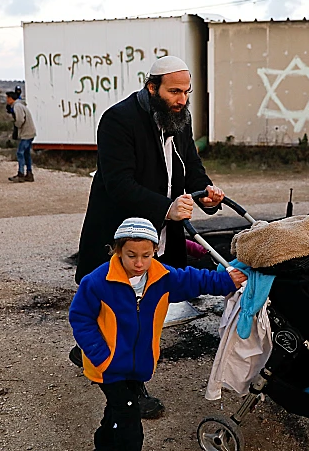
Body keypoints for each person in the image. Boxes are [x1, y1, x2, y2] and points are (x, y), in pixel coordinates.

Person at [73, 56, 224, 418]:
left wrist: (206, 192)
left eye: (186, 92)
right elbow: (119, 184)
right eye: (174, 91)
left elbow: (191, 168)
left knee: (143, 307)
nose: (182, 99)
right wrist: (167, 208)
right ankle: (129, 391)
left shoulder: (178, 118)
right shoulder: (118, 120)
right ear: (152, 87)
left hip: (160, 233)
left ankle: (90, 350)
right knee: (128, 311)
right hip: (122, 236)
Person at [70, 218, 246, 451]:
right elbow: (81, 319)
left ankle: (103, 445)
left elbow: (194, 280)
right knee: (129, 425)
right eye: (131, 255)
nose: (139, 263)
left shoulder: (161, 277)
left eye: (146, 255)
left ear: (155, 250)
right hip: (107, 366)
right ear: (118, 250)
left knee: (116, 412)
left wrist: (226, 281)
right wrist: (101, 356)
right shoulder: (97, 282)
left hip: (138, 364)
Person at [6, 90, 36, 183]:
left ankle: (21, 174)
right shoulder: (20, 105)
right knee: (26, 154)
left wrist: (16, 126)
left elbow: (20, 120)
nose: (6, 100)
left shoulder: (17, 106)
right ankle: (29, 173)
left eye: (7, 98)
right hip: (29, 132)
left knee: (20, 153)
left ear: (11, 98)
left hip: (26, 133)